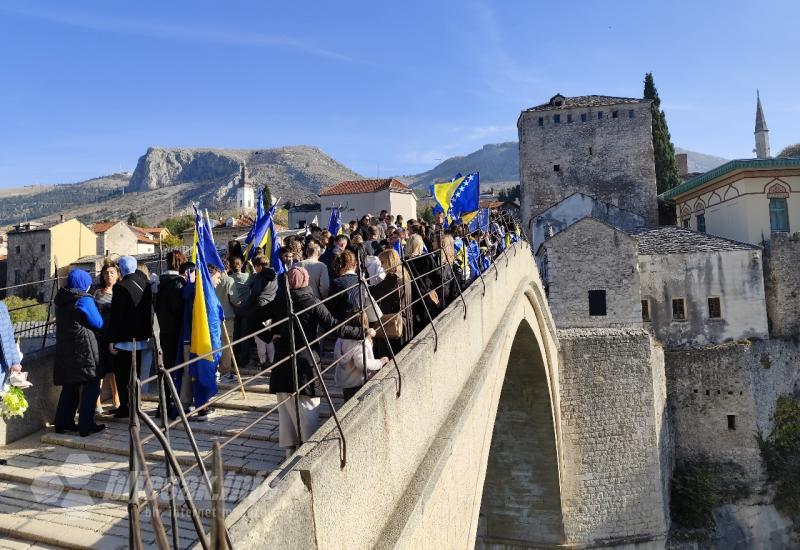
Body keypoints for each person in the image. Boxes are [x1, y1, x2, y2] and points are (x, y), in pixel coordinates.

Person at [269, 266, 363, 456]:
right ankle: (307, 451)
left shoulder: (279, 301)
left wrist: (272, 334)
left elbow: (254, 320)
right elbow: (335, 327)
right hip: (305, 362)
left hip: (281, 361)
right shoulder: (312, 302)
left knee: (286, 409)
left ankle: (290, 449)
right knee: (308, 408)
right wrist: (361, 332)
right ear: (306, 281)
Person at [53, 269, 106, 436]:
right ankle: (86, 425)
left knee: (70, 386)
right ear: (84, 283)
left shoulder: (61, 299)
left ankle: (63, 423)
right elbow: (98, 323)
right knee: (91, 385)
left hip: (66, 349)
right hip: (84, 349)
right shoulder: (83, 299)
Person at [107, 256, 153, 419]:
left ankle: (126, 407)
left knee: (123, 375)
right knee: (138, 374)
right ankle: (137, 404)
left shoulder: (120, 287)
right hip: (143, 338)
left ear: (120, 269)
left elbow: (116, 316)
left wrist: (112, 339)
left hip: (125, 339)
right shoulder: (147, 284)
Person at [155, 251, 187, 418]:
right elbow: (177, 309)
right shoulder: (178, 283)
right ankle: (173, 405)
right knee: (176, 369)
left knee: (167, 368)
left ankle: (164, 404)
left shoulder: (160, 283)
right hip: (177, 332)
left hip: (163, 331)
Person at [333, 312, 388, 403]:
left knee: (347, 404)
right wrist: (380, 362)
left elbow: (337, 356)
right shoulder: (360, 341)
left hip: (345, 382)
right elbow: (361, 363)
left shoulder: (341, 339)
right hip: (357, 383)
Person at [369, 249, 413, 357]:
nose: (382, 266)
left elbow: (375, 292)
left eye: (382, 262)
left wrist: (364, 285)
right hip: (406, 319)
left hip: (395, 322)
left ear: (389, 261)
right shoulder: (404, 273)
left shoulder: (392, 278)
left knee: (387, 354)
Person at [93, 262, 120, 414]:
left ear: (117, 274)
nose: (108, 275)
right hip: (100, 336)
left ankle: (117, 400)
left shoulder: (120, 291)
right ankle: (97, 403)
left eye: (111, 272)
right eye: (106, 273)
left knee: (115, 370)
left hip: (115, 336)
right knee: (100, 370)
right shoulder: (97, 293)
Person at [405, 234, 439, 333]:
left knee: (418, 321)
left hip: (413, 294)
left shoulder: (405, 261)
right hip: (426, 291)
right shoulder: (427, 257)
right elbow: (436, 274)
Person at [213, 260, 238, 383]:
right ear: (227, 268)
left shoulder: (210, 279)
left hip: (213, 317)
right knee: (227, 344)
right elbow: (235, 299)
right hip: (227, 316)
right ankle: (225, 371)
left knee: (215, 344)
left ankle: (215, 370)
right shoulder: (229, 280)